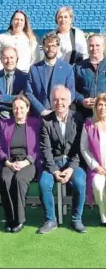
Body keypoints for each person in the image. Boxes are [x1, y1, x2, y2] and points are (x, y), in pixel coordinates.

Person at [38, 85, 86, 234]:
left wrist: (71, 167)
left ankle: (76, 219)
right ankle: (51, 220)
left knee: (79, 182)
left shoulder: (78, 118)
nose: (59, 103)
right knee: (44, 183)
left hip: (73, 162)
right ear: (52, 101)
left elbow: (80, 147)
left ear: (70, 100)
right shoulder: (46, 121)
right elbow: (45, 149)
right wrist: (54, 171)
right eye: (56, 99)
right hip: (53, 162)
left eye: (63, 99)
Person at [0, 95, 41, 233]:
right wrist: (7, 162)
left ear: (28, 108)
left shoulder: (36, 123)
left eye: (21, 107)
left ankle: (20, 219)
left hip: (28, 162)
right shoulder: (5, 124)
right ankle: (10, 218)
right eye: (15, 107)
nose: (18, 110)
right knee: (5, 179)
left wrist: (27, 161)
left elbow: (40, 146)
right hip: (10, 161)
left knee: (19, 180)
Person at [26, 32, 75, 117]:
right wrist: (42, 110)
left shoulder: (67, 69)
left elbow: (71, 93)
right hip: (39, 115)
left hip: (60, 114)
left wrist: (58, 109)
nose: (50, 48)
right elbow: (28, 93)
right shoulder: (34, 69)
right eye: (47, 46)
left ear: (58, 47)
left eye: (53, 46)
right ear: (43, 47)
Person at [80, 93, 106, 226]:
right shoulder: (89, 125)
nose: (103, 107)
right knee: (98, 186)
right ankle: (103, 215)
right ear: (95, 107)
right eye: (100, 104)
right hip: (98, 169)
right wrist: (96, 166)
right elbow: (84, 148)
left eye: (105, 105)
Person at [0, 46, 28, 118]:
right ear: (1, 60)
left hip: (18, 117)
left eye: (12, 57)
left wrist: (2, 97)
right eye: (5, 58)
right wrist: (16, 99)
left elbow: (25, 101)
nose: (9, 61)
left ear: (17, 59)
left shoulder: (26, 78)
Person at [74, 34, 106, 120]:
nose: (94, 48)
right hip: (84, 115)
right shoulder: (78, 67)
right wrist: (82, 100)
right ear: (87, 48)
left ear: (103, 47)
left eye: (97, 45)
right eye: (91, 45)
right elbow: (70, 89)